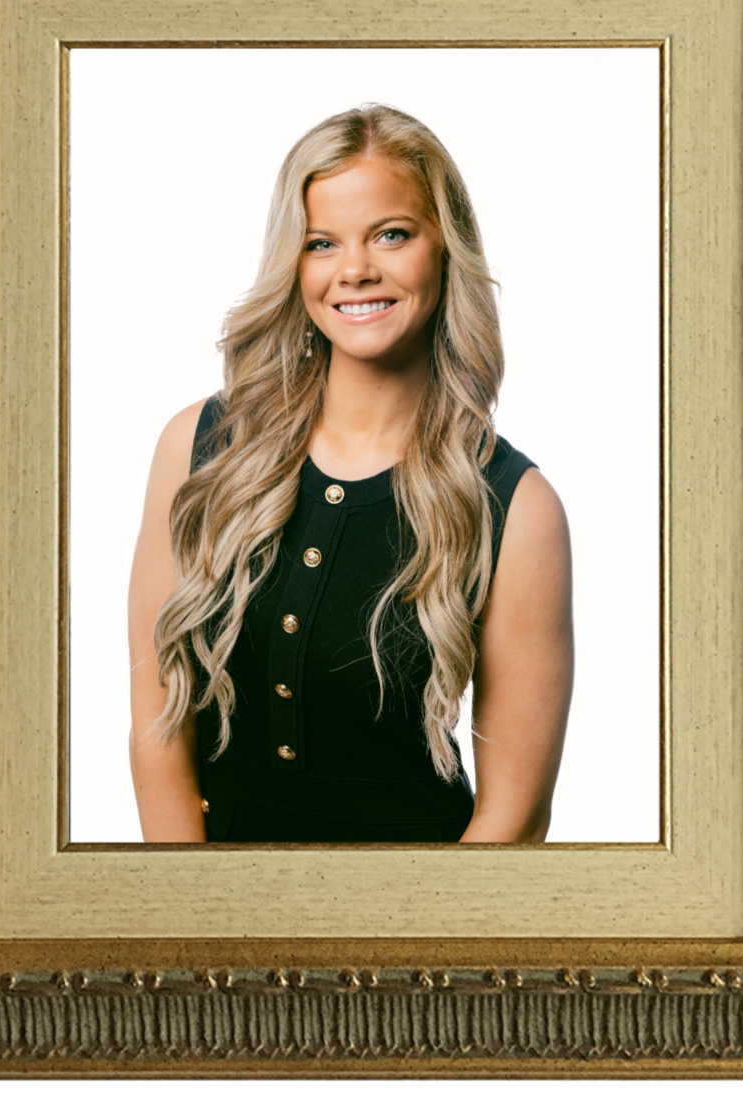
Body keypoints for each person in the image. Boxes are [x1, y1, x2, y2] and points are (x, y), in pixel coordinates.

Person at [128, 104, 573, 843]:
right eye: (321, 243)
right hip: (210, 916)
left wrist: (406, 954)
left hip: (420, 925)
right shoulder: (199, 447)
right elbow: (156, 720)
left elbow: (513, 819)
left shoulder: (516, 506)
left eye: (390, 234)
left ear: (443, 250)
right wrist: (190, 922)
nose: (355, 269)